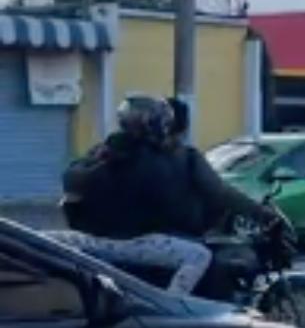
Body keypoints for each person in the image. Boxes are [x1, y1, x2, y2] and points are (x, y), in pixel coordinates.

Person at [52, 96, 211, 295]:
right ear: (155, 124)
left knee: (35, 241)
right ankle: (171, 305)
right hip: (133, 242)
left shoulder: (104, 150)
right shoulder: (158, 159)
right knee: (199, 255)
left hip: (89, 238)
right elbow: (172, 205)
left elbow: (71, 180)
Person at [163, 97, 275, 234]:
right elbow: (221, 193)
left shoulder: (134, 152)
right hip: (177, 233)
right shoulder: (187, 158)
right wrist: (262, 213)